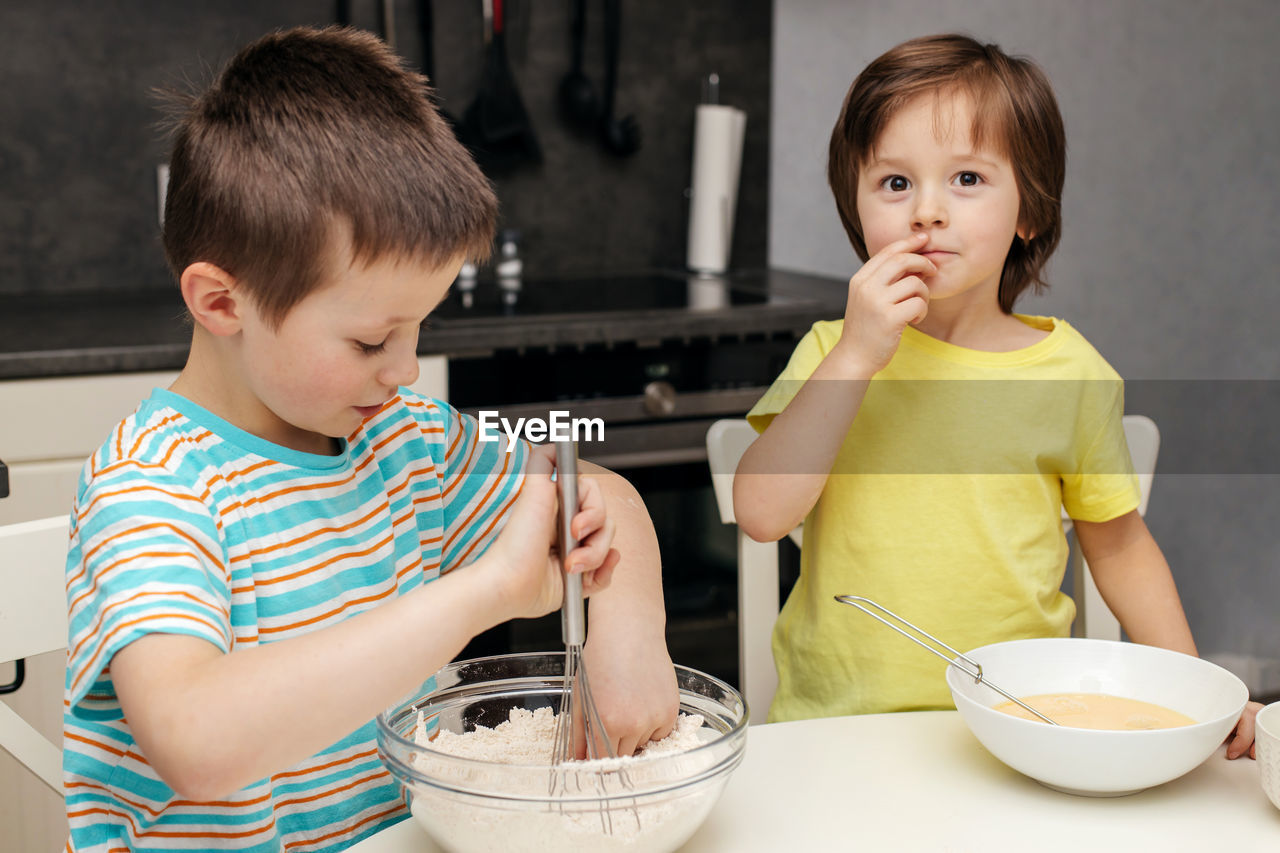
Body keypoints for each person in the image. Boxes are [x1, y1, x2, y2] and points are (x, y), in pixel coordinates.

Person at [62, 26, 678, 853]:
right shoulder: (152, 487)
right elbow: (197, 741)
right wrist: (485, 592)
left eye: (418, 330)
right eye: (370, 341)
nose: (407, 370)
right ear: (220, 303)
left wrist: (629, 627)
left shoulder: (404, 442)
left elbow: (607, 495)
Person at [733, 33, 1260, 756]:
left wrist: (1203, 691)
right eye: (895, 183)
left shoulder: (1072, 373)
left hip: (1018, 731)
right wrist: (857, 354)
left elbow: (1122, 548)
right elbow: (760, 512)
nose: (926, 211)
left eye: (967, 180)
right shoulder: (834, 350)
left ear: (1029, 213)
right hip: (840, 730)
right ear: (857, 209)